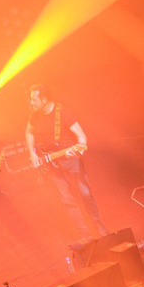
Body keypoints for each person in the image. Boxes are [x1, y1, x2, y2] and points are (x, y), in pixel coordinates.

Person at [24, 87, 103, 242]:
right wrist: (32, 153)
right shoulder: (34, 115)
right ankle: (84, 234)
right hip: (52, 164)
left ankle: (97, 225)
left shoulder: (63, 113)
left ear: (44, 100)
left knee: (85, 194)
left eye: (34, 99)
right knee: (67, 199)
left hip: (71, 161)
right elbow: (29, 132)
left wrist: (77, 151)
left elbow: (82, 138)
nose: (31, 102)